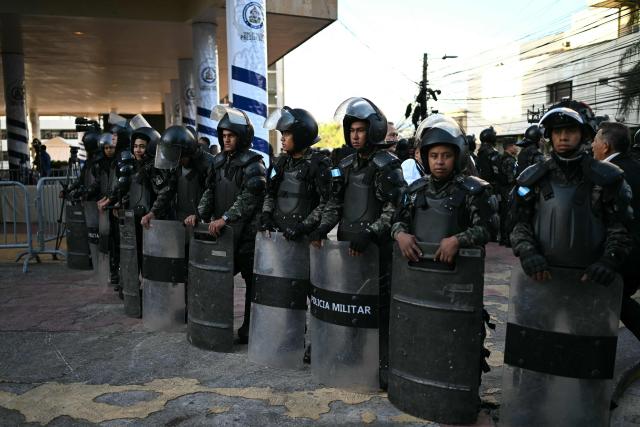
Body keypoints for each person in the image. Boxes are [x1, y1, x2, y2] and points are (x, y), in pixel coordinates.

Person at [391, 116, 497, 422]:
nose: (439, 162)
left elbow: (489, 227)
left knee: (458, 344)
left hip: (456, 287)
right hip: (417, 282)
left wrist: (459, 240)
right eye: (434, 156)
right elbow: (398, 219)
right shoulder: (415, 190)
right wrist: (400, 233)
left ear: (458, 156)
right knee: (418, 337)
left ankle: (459, 399)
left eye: (446, 155)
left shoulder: (475, 191)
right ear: (424, 157)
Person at [310, 97, 405, 389]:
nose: (355, 135)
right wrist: (321, 228)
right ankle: (352, 355)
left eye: (361, 130)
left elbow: (395, 208)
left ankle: (385, 363)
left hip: (377, 249)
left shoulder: (387, 165)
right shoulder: (345, 164)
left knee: (381, 309)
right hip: (347, 247)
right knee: (350, 304)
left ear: (373, 131)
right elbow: (334, 203)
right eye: (352, 129)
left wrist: (372, 232)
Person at [184, 106, 266, 344]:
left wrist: (226, 218)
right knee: (216, 280)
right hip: (221, 234)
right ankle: (215, 325)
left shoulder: (254, 164)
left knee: (253, 285)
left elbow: (248, 199)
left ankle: (250, 327)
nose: (226, 139)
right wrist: (198, 214)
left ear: (242, 136)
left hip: (247, 236)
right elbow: (210, 191)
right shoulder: (218, 161)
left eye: (231, 135)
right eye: (223, 135)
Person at [591, 121, 640, 340]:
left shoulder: (612, 175)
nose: (592, 145)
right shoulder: (634, 166)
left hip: (623, 254)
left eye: (595, 140)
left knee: (614, 300)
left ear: (606, 146)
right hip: (632, 253)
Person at [260, 106, 331, 239]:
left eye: (287, 133)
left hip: (307, 240)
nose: (282, 139)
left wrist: (303, 227)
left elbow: (327, 203)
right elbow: (270, 194)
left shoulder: (319, 164)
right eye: (282, 134)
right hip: (279, 237)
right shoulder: (280, 163)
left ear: (300, 135)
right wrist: (266, 216)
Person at [89, 133, 120, 286]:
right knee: (106, 241)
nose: (109, 150)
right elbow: (97, 183)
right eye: (106, 147)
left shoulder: (119, 162)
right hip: (103, 206)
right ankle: (111, 271)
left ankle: (116, 271)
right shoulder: (99, 163)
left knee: (117, 240)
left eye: (112, 147)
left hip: (114, 205)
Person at [497, 140, 518, 246]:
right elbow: (511, 178)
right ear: (509, 147)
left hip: (501, 189)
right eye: (515, 146)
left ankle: (503, 238)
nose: (516, 148)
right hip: (509, 189)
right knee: (509, 213)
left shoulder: (500, 158)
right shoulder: (510, 160)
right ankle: (507, 239)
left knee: (503, 214)